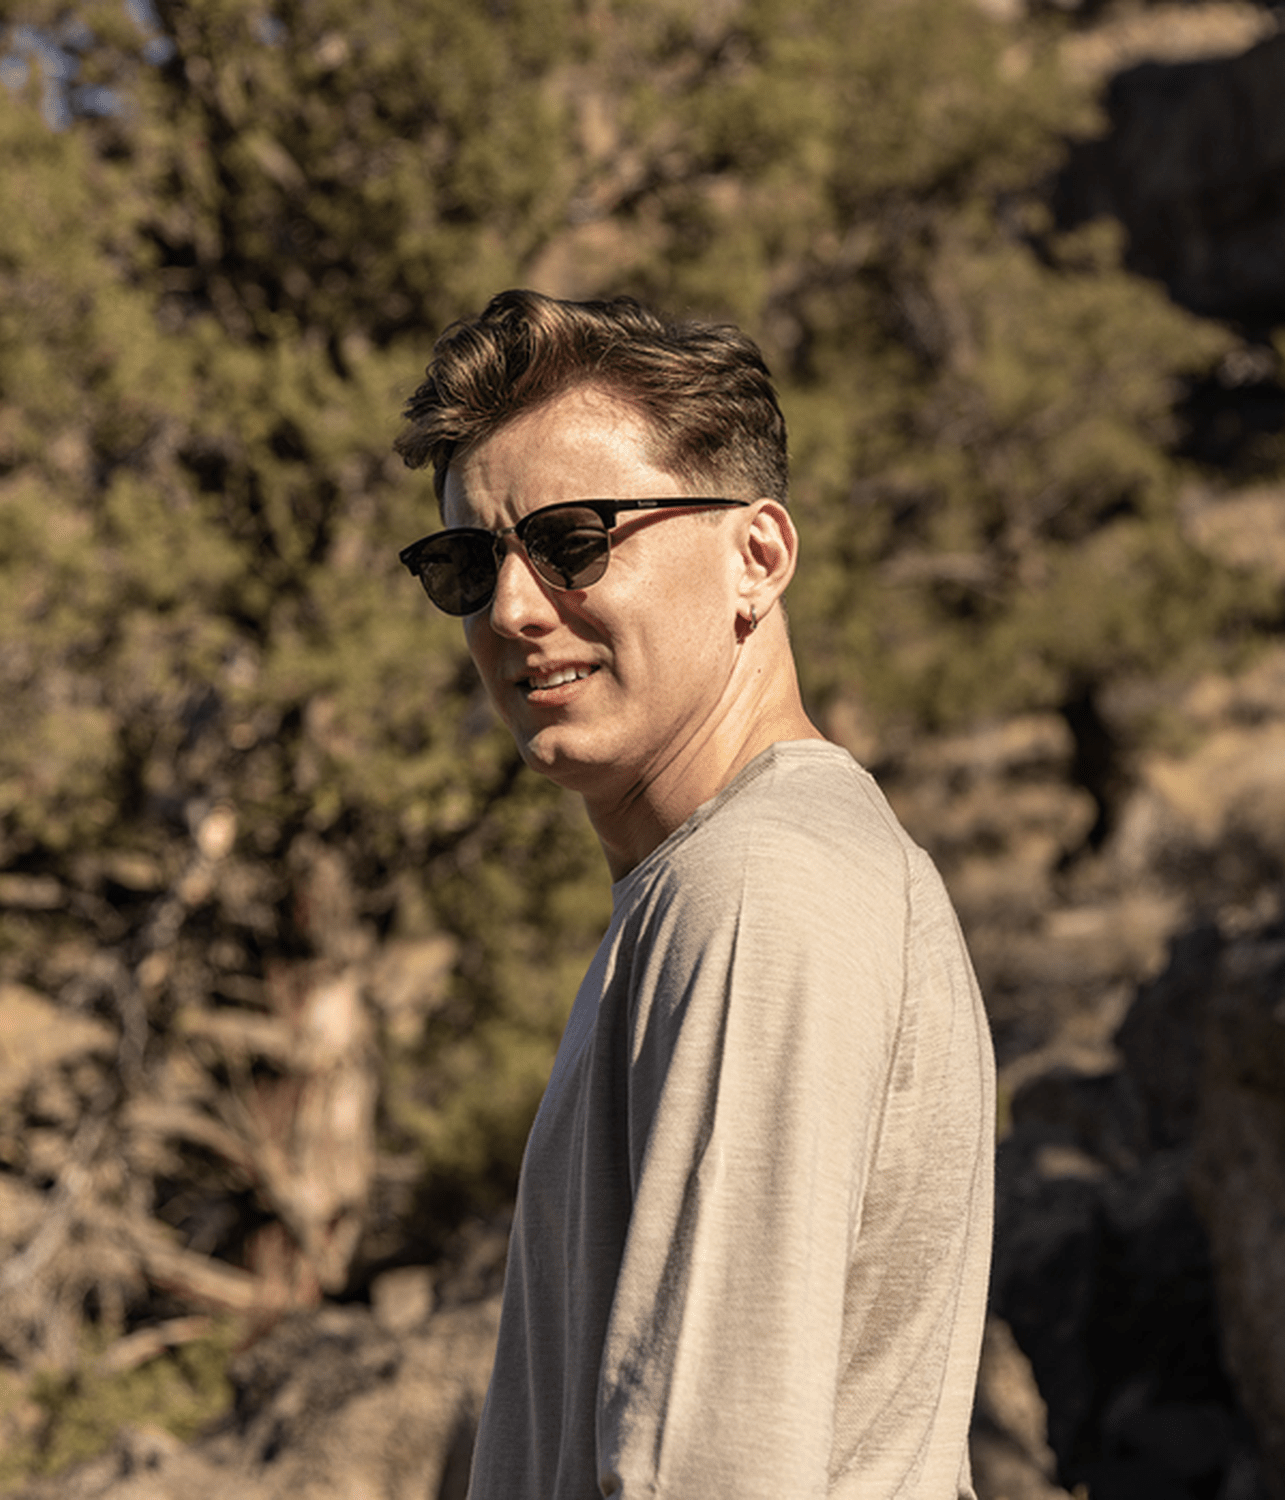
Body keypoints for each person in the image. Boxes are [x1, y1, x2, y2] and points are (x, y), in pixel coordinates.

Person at [395, 289, 996, 1499]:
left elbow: (708, 1467)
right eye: (470, 563)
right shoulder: (727, 878)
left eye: (573, 540)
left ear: (757, 558)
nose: (511, 609)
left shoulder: (756, 889)